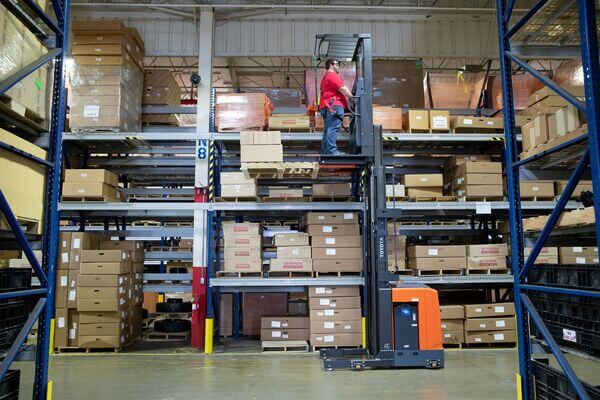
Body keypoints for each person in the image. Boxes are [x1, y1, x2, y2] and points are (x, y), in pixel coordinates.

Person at [319, 59, 353, 155]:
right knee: (332, 128)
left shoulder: (325, 78)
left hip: (327, 106)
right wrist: (353, 98)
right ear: (331, 65)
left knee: (328, 129)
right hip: (334, 106)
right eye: (337, 64)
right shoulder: (332, 75)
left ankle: (326, 152)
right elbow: (342, 88)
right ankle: (332, 151)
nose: (338, 67)